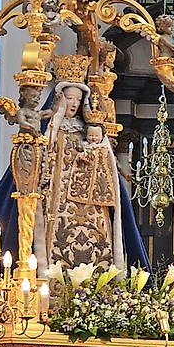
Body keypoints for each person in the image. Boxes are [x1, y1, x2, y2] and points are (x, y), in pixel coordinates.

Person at [35, 80, 125, 272]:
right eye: (69, 99)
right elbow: (45, 156)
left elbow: (105, 160)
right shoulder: (53, 129)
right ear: (60, 100)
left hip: (91, 199)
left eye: (77, 99)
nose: (73, 104)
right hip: (58, 196)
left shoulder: (89, 132)